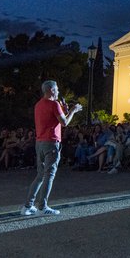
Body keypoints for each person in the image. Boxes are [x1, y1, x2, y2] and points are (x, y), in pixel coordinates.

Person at [21, 80, 82, 216]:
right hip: (52, 142)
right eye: (57, 89)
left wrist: (64, 110)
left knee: (40, 175)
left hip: (40, 142)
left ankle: (28, 206)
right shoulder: (54, 104)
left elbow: (52, 119)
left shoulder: (38, 105)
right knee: (49, 175)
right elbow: (64, 122)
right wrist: (73, 110)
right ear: (52, 90)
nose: (59, 92)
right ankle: (42, 207)